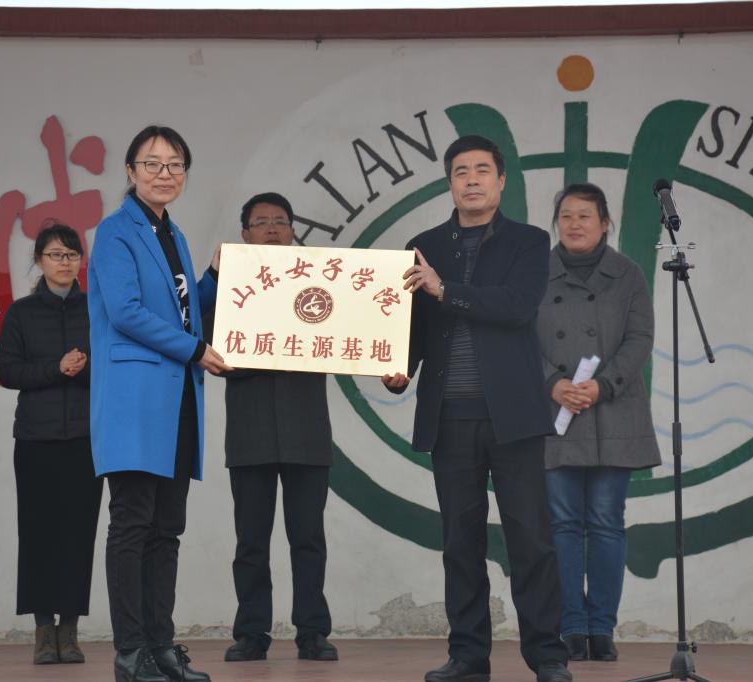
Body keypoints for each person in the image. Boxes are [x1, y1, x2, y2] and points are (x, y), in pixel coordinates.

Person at [382, 136, 572, 682]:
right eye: (461, 171)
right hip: (450, 416)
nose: (471, 179)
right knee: (460, 543)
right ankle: (468, 656)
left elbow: (517, 307)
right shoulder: (422, 246)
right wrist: (398, 367)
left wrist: (446, 290)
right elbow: (413, 325)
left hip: (513, 414)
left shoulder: (530, 242)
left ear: (501, 180)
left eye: (482, 170)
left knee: (530, 539)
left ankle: (548, 656)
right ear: (449, 183)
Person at [88, 124, 230, 682]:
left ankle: (161, 647)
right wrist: (196, 350)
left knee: (166, 529)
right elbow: (125, 312)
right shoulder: (115, 232)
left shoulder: (174, 234)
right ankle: (131, 653)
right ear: (130, 172)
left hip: (177, 401)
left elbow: (182, 311)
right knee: (132, 525)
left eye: (174, 165)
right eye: (152, 163)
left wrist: (214, 277)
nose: (164, 174)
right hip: (135, 400)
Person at [206, 192, 338, 664]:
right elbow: (208, 345)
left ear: (293, 232)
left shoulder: (322, 283)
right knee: (251, 542)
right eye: (261, 222)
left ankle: (313, 632)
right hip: (251, 432)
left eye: (280, 221)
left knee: (309, 539)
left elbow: (350, 333)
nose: (271, 229)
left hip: (307, 431)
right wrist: (215, 277)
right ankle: (251, 633)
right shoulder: (225, 288)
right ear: (245, 234)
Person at [536, 183, 660, 662]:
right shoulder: (535, 271)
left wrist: (603, 385)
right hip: (555, 412)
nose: (574, 224)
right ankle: (571, 626)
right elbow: (519, 335)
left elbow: (640, 337)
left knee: (607, 522)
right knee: (563, 524)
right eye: (566, 215)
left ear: (605, 223)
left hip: (613, 408)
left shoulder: (628, 274)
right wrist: (552, 382)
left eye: (585, 215)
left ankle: (602, 627)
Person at [0, 223, 103, 665]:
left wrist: (84, 368)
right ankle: (43, 630)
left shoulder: (97, 309)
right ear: (39, 260)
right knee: (38, 532)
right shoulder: (21, 314)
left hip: (86, 438)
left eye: (72, 254)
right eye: (55, 254)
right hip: (35, 439)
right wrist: (56, 369)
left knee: (79, 533)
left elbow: (114, 367)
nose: (64, 262)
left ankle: (70, 631)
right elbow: (7, 371)